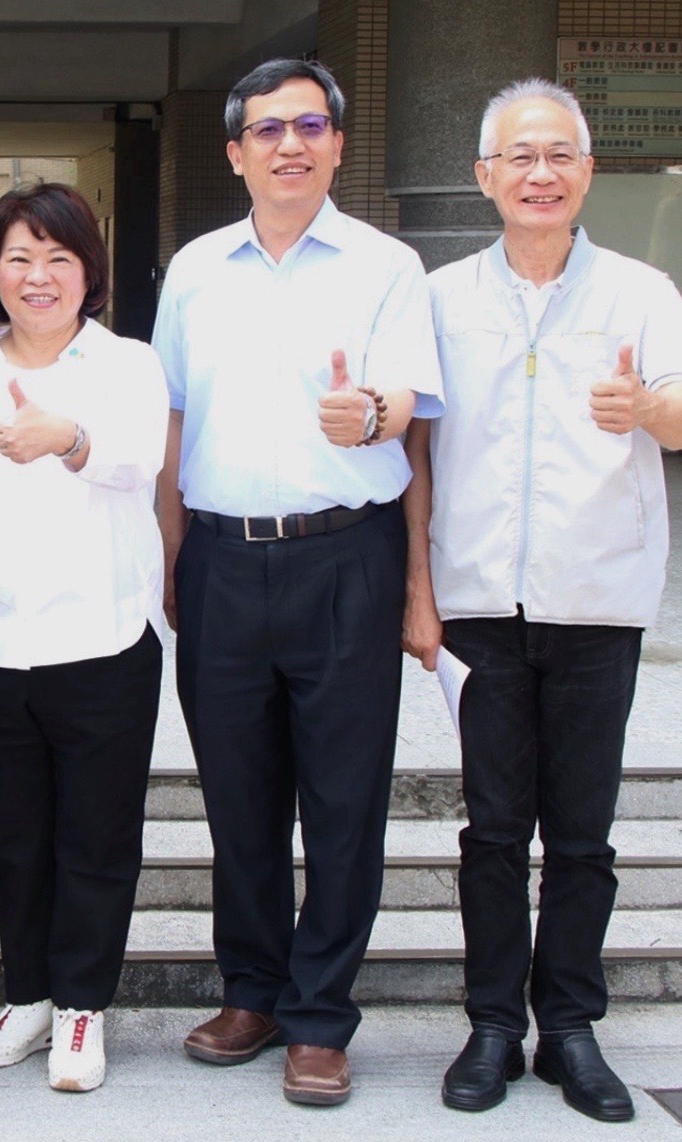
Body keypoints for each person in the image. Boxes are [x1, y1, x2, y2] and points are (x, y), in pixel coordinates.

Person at [403, 78, 682, 1124]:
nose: (540, 174)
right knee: (493, 830)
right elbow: (416, 455)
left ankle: (569, 1025)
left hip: (597, 598)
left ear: (588, 170)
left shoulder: (641, 291)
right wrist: (419, 593)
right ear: (484, 175)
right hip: (478, 604)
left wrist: (647, 405)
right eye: (519, 157)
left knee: (581, 832)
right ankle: (492, 1022)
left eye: (559, 155)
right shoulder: (440, 298)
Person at [151, 57, 443, 1106]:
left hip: (344, 556)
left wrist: (370, 415)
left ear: (338, 146)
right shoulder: (194, 270)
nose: (290, 144)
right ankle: (254, 991)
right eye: (268, 129)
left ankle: (321, 1016)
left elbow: (411, 411)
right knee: (239, 798)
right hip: (220, 559)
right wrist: (170, 559)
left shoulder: (387, 267)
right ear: (235, 153)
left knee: (343, 800)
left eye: (310, 126)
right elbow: (171, 418)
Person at [0, 183, 167, 1093]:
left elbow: (138, 462)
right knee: (16, 838)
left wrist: (67, 437)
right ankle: (28, 994)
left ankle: (81, 1008)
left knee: (97, 838)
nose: (38, 276)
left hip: (101, 639)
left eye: (58, 258)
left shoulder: (128, 364)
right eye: (19, 258)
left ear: (88, 273)